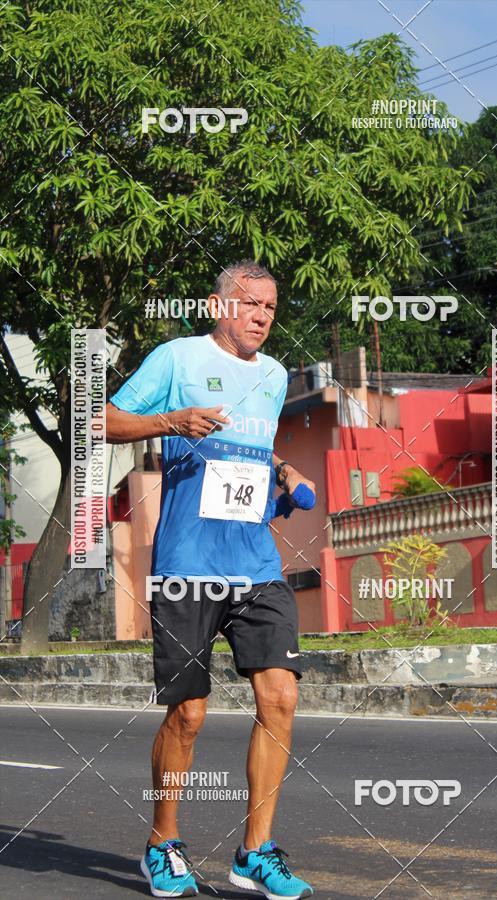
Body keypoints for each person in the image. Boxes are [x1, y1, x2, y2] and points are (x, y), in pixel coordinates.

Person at [105, 260, 316, 899]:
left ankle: (255, 852)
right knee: (189, 714)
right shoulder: (176, 358)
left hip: (255, 563)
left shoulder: (276, 376)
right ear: (218, 305)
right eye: (250, 304)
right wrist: (173, 422)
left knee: (280, 697)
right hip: (187, 563)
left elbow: (251, 447)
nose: (260, 317)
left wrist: (284, 473)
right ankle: (161, 842)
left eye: (270, 308)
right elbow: (105, 422)